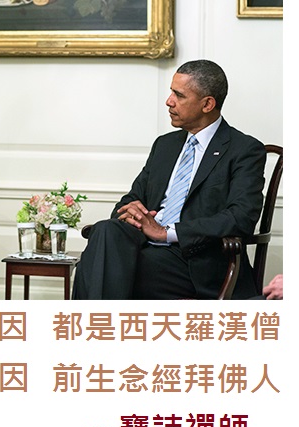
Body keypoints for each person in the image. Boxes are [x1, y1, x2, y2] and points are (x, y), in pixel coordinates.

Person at [73, 60, 266, 300]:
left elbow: (241, 217)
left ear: (207, 104)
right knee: (105, 230)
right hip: (143, 246)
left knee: (97, 267)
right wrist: (132, 213)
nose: (169, 101)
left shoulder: (243, 149)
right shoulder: (165, 145)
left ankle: (89, 321)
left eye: (179, 95)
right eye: (171, 92)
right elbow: (129, 201)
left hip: (194, 261)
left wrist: (166, 233)